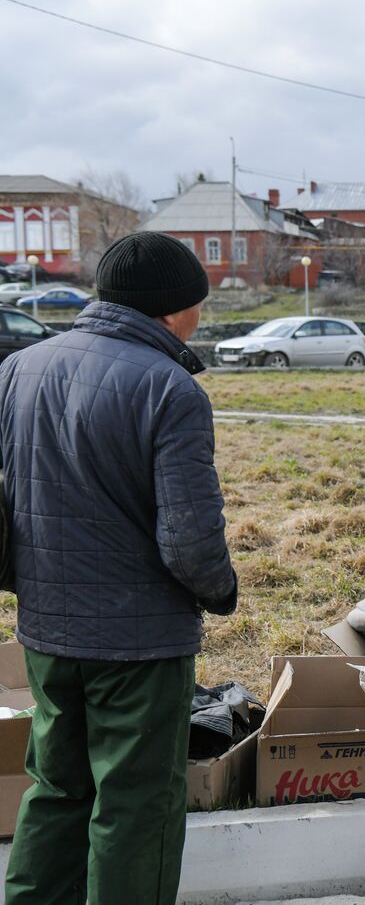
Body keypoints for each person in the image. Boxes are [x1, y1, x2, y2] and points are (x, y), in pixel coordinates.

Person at [0, 232, 238, 904]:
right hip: (141, 647)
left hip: (45, 631)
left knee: (56, 786)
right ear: (172, 310)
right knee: (136, 808)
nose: (201, 315)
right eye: (199, 302)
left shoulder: (20, 368)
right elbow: (191, 541)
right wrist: (221, 592)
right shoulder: (171, 389)